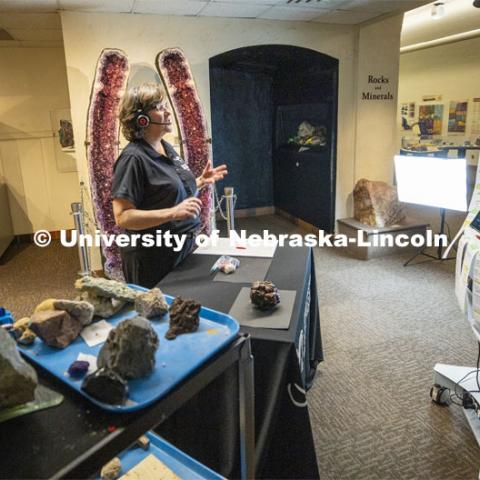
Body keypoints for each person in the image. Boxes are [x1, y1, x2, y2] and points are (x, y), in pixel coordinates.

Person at [111, 83, 227, 288]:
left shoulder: (165, 147)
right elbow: (123, 217)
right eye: (159, 106)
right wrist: (172, 213)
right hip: (153, 258)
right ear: (142, 119)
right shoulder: (132, 158)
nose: (168, 111)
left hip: (181, 250)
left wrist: (200, 181)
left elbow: (165, 191)